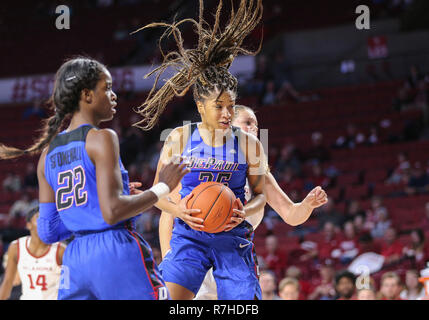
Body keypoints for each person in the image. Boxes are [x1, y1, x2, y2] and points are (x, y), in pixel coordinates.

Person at [0, 57, 189, 300]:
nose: (114, 95)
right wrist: (163, 186)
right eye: (107, 87)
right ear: (87, 95)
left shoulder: (46, 155)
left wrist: (89, 207)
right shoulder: (102, 137)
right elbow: (112, 212)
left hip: (75, 260)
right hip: (115, 252)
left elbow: (47, 232)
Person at [158, 104, 328, 300]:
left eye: (256, 125)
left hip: (233, 255)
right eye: (247, 123)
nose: (254, 129)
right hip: (195, 254)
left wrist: (307, 205)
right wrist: (168, 255)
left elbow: (291, 215)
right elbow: (169, 211)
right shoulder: (201, 164)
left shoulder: (259, 173)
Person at [0, 207, 65, 300]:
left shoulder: (60, 250)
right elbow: (7, 282)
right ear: (28, 225)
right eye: (39, 218)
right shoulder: (16, 247)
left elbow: (68, 286)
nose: (44, 223)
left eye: (47, 219)